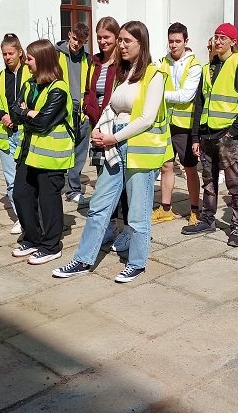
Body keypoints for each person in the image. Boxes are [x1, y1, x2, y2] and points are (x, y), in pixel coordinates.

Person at [52, 21, 169, 283]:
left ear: (141, 43)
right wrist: (99, 129)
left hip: (138, 150)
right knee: (98, 206)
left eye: (127, 40)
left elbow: (147, 118)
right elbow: (112, 107)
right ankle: (83, 260)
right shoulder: (123, 73)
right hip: (115, 145)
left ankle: (136, 263)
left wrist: (113, 137)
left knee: (137, 215)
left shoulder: (155, 74)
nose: (121, 45)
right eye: (121, 40)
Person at [182, 23, 238, 247]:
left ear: (233, 41)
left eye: (223, 37)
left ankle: (237, 226)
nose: (218, 41)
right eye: (216, 37)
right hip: (207, 136)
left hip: (228, 137)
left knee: (235, 183)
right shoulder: (209, 68)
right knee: (209, 181)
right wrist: (196, 137)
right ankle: (207, 219)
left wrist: (233, 132)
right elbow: (199, 104)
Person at [9, 40, 74, 265]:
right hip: (28, 153)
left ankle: (51, 246)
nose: (25, 62)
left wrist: (26, 113)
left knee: (49, 202)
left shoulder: (59, 88)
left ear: (43, 60)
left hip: (51, 156)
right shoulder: (29, 84)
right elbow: (14, 113)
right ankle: (32, 239)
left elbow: (43, 122)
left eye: (29, 58)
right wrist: (29, 113)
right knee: (21, 195)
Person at [84, 16, 130, 249]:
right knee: (104, 181)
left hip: (119, 129)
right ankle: (110, 226)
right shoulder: (94, 63)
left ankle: (128, 229)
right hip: (98, 129)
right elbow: (89, 92)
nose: (102, 41)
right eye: (99, 37)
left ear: (116, 37)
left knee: (124, 182)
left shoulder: (123, 63)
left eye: (107, 37)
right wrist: (88, 111)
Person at [152, 22, 202, 225]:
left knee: (190, 168)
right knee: (166, 166)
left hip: (185, 125)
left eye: (178, 41)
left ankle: (195, 210)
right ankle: (165, 209)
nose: (173, 45)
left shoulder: (194, 65)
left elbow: (186, 95)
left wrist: (159, 94)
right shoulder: (161, 62)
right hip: (165, 123)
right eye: (171, 41)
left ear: (186, 41)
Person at [0, 33, 31, 235]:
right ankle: (21, 218)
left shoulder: (31, 73)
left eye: (10, 53)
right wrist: (2, 115)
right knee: (11, 180)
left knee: (29, 179)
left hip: (26, 134)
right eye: (4, 54)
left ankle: (33, 215)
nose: (7, 57)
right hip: (6, 135)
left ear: (20, 52)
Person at [56, 22, 91, 204]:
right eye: (75, 38)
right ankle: (55, 187)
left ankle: (73, 190)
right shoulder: (55, 54)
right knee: (60, 150)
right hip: (61, 111)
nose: (76, 43)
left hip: (81, 112)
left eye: (81, 41)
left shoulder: (88, 59)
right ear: (69, 34)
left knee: (79, 152)